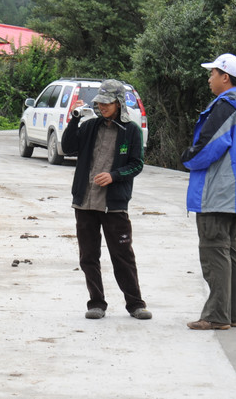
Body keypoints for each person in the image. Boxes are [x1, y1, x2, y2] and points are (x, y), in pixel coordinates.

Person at [61, 79, 152, 320]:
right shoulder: (90, 126)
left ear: (119, 103)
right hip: (85, 202)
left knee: (122, 256)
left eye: (108, 104)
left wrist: (114, 176)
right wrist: (74, 119)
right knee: (88, 256)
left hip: (114, 205)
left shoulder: (131, 130)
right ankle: (96, 303)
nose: (102, 108)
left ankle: (135, 304)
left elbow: (137, 164)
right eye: (100, 103)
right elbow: (68, 147)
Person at [181, 54, 236, 330]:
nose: (209, 77)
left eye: (212, 73)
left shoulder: (225, 107)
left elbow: (206, 149)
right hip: (234, 193)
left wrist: (186, 158)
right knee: (231, 252)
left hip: (217, 194)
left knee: (214, 251)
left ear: (225, 77)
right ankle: (231, 314)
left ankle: (215, 315)